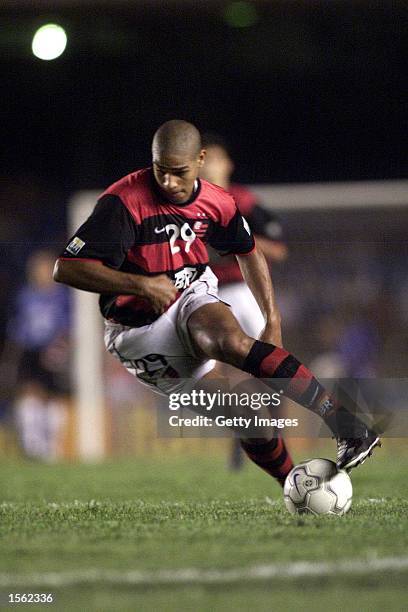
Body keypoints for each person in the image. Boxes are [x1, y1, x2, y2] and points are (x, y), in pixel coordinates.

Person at [54, 120, 380, 485]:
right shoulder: (124, 202)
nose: (169, 182)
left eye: (179, 173)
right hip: (137, 332)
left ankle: (347, 426)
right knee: (248, 417)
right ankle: (295, 484)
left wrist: (272, 320)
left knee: (231, 342)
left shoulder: (218, 201)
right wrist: (141, 284)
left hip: (190, 294)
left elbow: (249, 251)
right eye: (161, 171)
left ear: (200, 160)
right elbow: (66, 268)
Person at [200, 134, 289, 469]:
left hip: (241, 289)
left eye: (215, 159)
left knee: (270, 360)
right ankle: (241, 443)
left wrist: (237, 239)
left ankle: (275, 432)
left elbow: (279, 249)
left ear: (227, 164)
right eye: (204, 159)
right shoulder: (184, 203)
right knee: (213, 374)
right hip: (200, 292)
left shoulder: (243, 200)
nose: (209, 165)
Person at [1, 250, 70, 460]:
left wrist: (62, 345)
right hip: (29, 350)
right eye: (37, 269)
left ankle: (52, 446)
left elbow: (70, 324)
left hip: (54, 349)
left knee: (55, 397)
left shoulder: (63, 297)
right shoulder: (24, 296)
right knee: (29, 392)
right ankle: (33, 445)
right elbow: (16, 327)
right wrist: (11, 356)